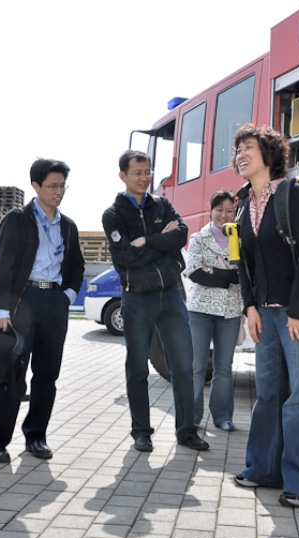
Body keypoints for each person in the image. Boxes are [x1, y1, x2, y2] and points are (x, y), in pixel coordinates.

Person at [231, 124, 299, 508]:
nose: (240, 155)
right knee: (268, 393)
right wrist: (250, 307)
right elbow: (244, 263)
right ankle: (263, 469)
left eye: (247, 148)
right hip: (266, 314)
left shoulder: (294, 193)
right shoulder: (243, 204)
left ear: (269, 153)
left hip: (298, 311)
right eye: (237, 150)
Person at [103, 150, 209, 453]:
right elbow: (125, 256)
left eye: (148, 171)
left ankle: (187, 431)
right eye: (137, 172)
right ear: (123, 175)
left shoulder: (162, 204)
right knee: (138, 368)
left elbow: (181, 235)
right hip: (137, 298)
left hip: (171, 295)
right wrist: (162, 242)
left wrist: (147, 240)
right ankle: (141, 432)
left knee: (183, 366)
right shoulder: (113, 214)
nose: (144, 177)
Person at [0, 159, 85, 463]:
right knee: (12, 372)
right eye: (52, 186)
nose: (58, 191)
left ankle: (36, 436)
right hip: (22, 301)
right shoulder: (18, 219)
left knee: (47, 374)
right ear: (36, 186)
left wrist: (67, 295)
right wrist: (0, 309)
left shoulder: (68, 226)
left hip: (54, 302)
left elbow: (77, 266)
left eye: (62, 186)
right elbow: (2, 264)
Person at [184, 190, 242, 431]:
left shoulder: (241, 239)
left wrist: (213, 272)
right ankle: (191, 417)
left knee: (224, 368)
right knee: (196, 366)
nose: (224, 215)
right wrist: (228, 276)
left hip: (230, 311)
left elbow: (243, 275)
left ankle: (222, 416)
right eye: (219, 210)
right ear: (210, 211)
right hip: (200, 310)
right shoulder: (198, 238)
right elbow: (195, 272)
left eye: (229, 210)